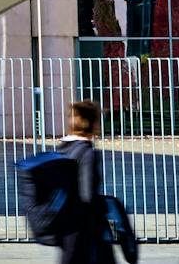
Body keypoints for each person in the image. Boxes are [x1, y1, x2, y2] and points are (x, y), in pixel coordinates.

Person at [54, 100, 107, 264]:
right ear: (91, 123)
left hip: (64, 223)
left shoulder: (64, 147)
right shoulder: (86, 152)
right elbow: (88, 195)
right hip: (83, 227)